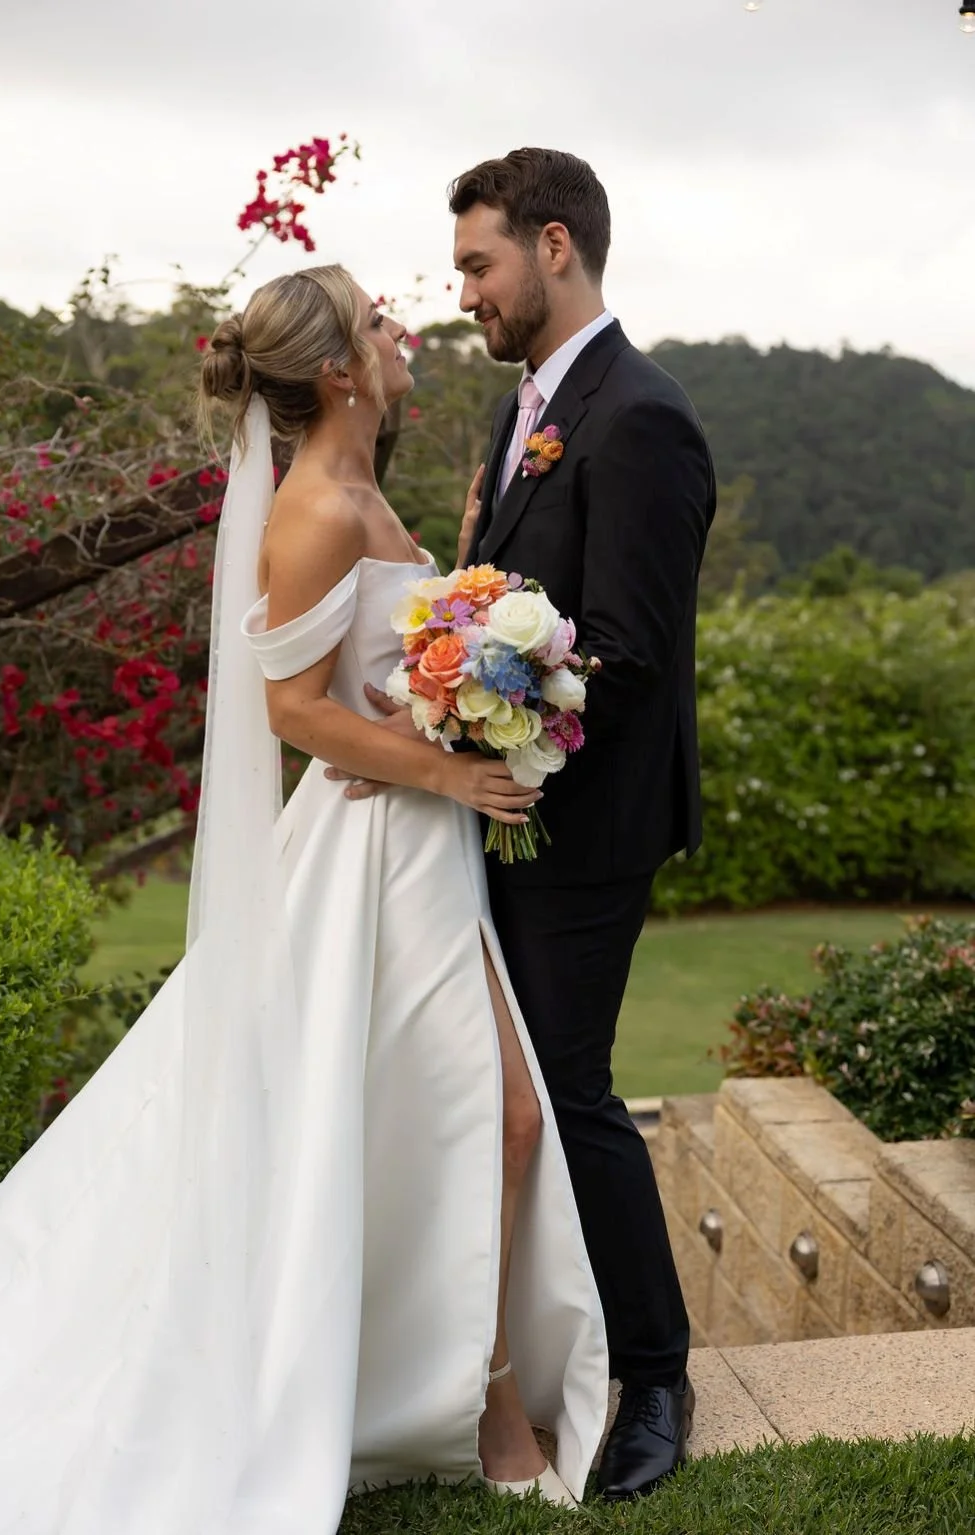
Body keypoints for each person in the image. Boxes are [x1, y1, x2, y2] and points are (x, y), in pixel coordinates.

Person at [0, 265, 609, 1533]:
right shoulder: (313, 505)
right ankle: (483, 1397)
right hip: (379, 856)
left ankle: (448, 1376)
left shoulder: (367, 489)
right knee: (501, 1116)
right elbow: (292, 709)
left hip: (420, 849)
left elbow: (372, 662)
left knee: (443, 1118)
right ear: (334, 373)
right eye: (375, 320)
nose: (398, 329)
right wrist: (449, 768)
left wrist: (470, 622)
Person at [334, 148, 716, 1500]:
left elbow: (618, 655)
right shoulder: (525, 414)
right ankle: (545, 1354)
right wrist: (439, 705)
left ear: (553, 247)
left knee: (568, 1090)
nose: (465, 297)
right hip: (500, 812)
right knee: (508, 1096)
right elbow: (500, 600)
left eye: (478, 266)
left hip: (587, 822)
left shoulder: (640, 416)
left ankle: (657, 1375)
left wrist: (450, 735)